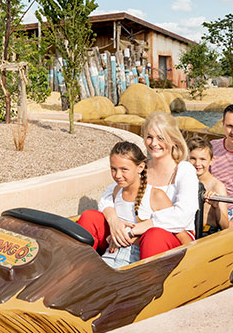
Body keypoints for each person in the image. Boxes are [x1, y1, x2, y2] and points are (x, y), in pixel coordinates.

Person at [78, 112, 199, 262]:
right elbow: (110, 195)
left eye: (160, 138)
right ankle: (79, 265)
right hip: (130, 231)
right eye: (149, 137)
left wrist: (133, 231)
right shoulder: (142, 167)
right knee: (90, 217)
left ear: (173, 139)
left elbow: (183, 214)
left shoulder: (184, 169)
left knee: (153, 235)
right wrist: (114, 222)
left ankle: (147, 281)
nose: (154, 143)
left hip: (170, 235)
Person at [187, 136, 231, 232]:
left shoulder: (217, 186)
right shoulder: (182, 181)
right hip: (186, 229)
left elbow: (225, 226)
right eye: (192, 158)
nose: (197, 163)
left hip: (207, 231)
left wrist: (216, 206)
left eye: (203, 159)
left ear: (211, 160)